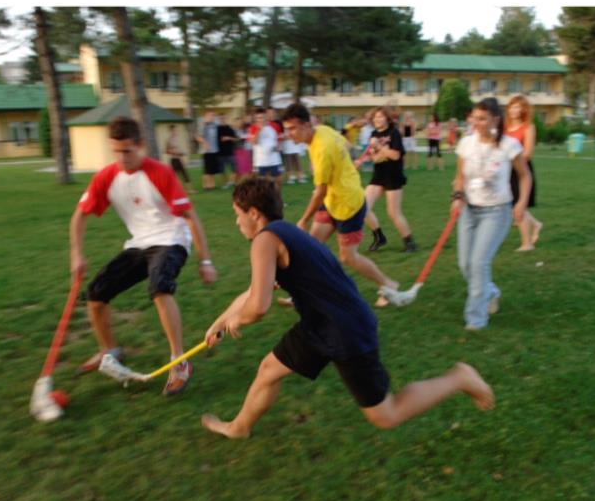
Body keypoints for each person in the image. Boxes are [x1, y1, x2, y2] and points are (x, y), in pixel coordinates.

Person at [200, 178, 494, 439]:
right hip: (320, 324)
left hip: (345, 328)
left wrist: (239, 319)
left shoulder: (265, 240)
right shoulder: (284, 233)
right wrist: (221, 321)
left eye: (237, 216)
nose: (237, 223)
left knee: (385, 414)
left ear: (254, 213)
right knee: (268, 370)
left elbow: (258, 306)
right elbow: (254, 291)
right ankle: (240, 427)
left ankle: (459, 378)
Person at [70, 117, 217, 394]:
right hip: (138, 244)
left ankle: (179, 361)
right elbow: (79, 215)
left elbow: (190, 217)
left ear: (141, 145)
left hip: (171, 240)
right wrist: (76, 254)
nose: (121, 158)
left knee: (159, 287)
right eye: (116, 151)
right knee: (95, 295)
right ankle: (109, 350)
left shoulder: (160, 173)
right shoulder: (105, 177)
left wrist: (204, 260)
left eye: (127, 151)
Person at [281, 102, 403, 307]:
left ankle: (389, 284)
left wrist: (303, 219)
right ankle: (300, 294)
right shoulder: (321, 131)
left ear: (305, 125)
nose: (289, 134)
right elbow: (345, 142)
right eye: (286, 129)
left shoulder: (322, 148)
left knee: (348, 257)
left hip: (348, 204)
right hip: (332, 200)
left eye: (292, 128)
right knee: (311, 248)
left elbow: (319, 191)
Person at [451, 98, 532, 331]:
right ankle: (491, 292)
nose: (476, 123)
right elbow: (460, 176)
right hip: (469, 209)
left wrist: (522, 203)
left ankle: (475, 319)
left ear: (495, 119)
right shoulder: (466, 143)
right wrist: (457, 197)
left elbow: (525, 176)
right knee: (465, 264)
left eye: (482, 118)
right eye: (474, 117)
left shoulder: (509, 145)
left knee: (478, 263)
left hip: (496, 212)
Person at [363, 106, 417, 253]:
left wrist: (379, 146)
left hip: (393, 175)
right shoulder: (373, 134)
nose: (377, 119)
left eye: (380, 117)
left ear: (387, 119)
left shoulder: (394, 133)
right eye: (375, 117)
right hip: (378, 176)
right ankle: (379, 236)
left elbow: (396, 156)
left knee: (393, 212)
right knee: (361, 207)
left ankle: (409, 242)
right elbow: (375, 158)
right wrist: (378, 152)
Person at [504, 95, 543, 251]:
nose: (514, 110)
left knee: (517, 207)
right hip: (506, 169)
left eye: (518, 107)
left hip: (521, 170)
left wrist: (513, 163)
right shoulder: (505, 127)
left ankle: (527, 244)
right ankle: (535, 224)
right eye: (512, 106)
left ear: (523, 110)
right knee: (512, 205)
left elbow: (527, 153)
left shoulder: (528, 127)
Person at [251, 107, 284, 192]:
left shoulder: (275, 126)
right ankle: (263, 202)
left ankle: (278, 200)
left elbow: (279, 139)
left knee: (278, 180)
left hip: (274, 159)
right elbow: (254, 142)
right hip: (260, 161)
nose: (260, 120)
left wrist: (279, 146)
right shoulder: (253, 127)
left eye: (262, 117)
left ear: (266, 117)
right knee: (261, 183)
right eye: (258, 118)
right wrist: (259, 129)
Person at [196, 111, 221, 191]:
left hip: (214, 150)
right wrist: (205, 143)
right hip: (206, 151)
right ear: (205, 117)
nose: (212, 117)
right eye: (210, 116)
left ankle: (212, 185)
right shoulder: (203, 125)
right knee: (207, 170)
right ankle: (206, 186)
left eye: (213, 116)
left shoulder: (215, 125)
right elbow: (197, 137)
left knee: (212, 170)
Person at [164, 124, 194, 193]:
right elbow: (167, 151)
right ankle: (174, 190)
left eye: (176, 130)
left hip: (179, 159)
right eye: (174, 130)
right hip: (174, 160)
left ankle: (190, 189)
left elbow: (179, 149)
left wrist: (182, 153)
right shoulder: (169, 140)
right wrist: (176, 153)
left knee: (185, 174)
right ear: (171, 131)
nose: (175, 131)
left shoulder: (177, 139)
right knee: (174, 176)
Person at [216, 113, 239, 189]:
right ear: (219, 119)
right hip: (220, 152)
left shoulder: (230, 128)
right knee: (222, 170)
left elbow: (236, 139)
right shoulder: (217, 128)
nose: (222, 119)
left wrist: (229, 138)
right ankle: (225, 183)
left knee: (235, 169)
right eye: (221, 118)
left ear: (226, 118)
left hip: (230, 152)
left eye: (224, 118)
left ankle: (231, 182)